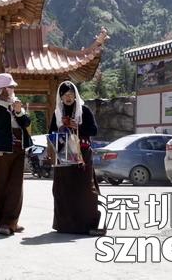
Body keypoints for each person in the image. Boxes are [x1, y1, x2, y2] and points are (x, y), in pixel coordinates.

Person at [47, 80, 104, 236]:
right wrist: (61, 129)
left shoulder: (83, 110)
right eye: (65, 94)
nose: (68, 97)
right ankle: (66, 225)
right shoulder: (58, 113)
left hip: (83, 154)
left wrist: (77, 126)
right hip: (64, 154)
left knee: (86, 190)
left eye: (71, 94)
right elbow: (51, 132)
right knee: (63, 190)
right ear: (61, 96)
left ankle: (90, 225)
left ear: (76, 95)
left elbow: (94, 130)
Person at [0, 72, 31, 236]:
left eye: (12, 87)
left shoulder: (15, 102)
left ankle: (11, 221)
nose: (12, 90)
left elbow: (26, 123)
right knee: (0, 185)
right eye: (9, 87)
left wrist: (19, 112)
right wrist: (6, 106)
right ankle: (0, 222)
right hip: (2, 149)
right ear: (1, 89)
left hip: (19, 147)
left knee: (16, 186)